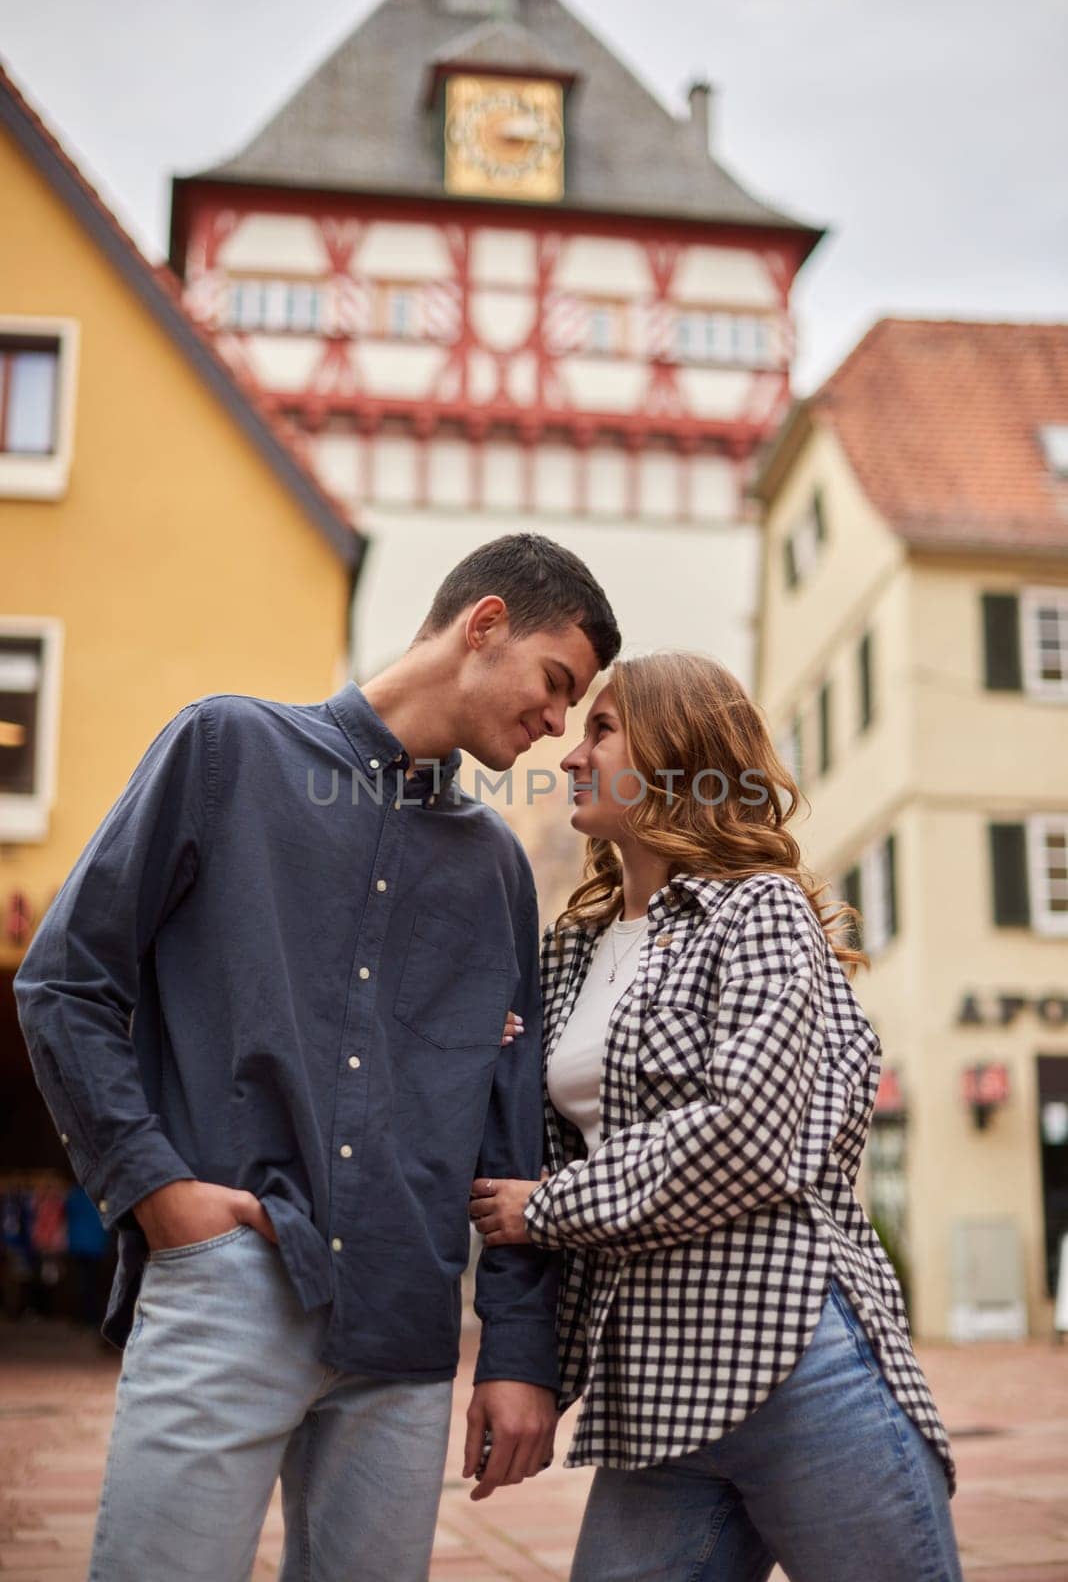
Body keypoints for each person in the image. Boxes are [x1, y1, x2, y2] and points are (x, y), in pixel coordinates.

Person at [15, 532, 621, 1582]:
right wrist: (155, 1189)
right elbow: (64, 983)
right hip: (231, 1278)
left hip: (406, 1330)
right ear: (483, 625)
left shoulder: (496, 873)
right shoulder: (226, 752)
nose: (559, 724)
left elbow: (508, 1125)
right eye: (555, 682)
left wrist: (519, 1354)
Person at [470, 651, 963, 1582]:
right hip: (650, 1389)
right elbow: (529, 1135)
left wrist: (549, 1207)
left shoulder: (758, 912)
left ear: (677, 750)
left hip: (792, 1357)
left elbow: (746, 1133)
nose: (572, 756)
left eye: (602, 730)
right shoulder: (571, 951)